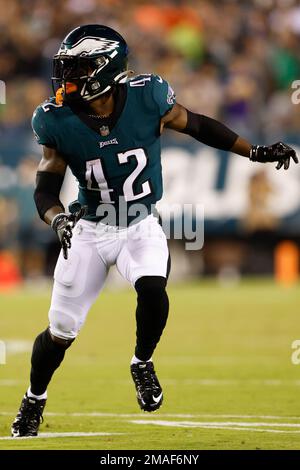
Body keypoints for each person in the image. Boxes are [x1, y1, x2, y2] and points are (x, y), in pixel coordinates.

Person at [11, 24, 298, 437]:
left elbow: (197, 124)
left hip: (139, 223)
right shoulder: (55, 120)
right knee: (60, 332)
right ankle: (34, 399)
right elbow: (45, 188)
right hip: (89, 230)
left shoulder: (148, 96)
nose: (66, 80)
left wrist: (253, 151)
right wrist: (57, 218)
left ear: (104, 70)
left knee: (151, 288)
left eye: (76, 70)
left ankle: (141, 362)